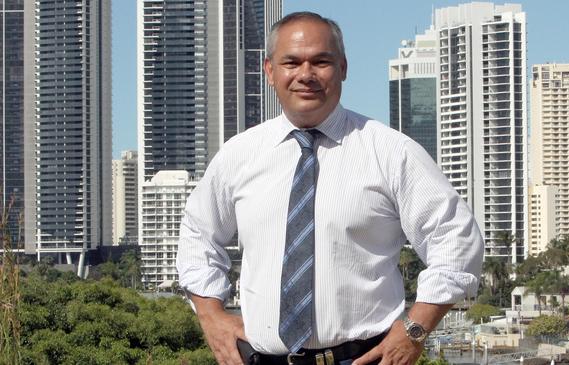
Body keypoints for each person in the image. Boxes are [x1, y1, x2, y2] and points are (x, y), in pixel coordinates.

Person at [176, 11, 483, 365]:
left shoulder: (390, 151)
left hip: (363, 358)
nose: (305, 75)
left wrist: (415, 328)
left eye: (321, 61)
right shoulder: (238, 155)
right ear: (270, 71)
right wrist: (210, 315)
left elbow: (458, 241)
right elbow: (198, 234)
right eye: (291, 62)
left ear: (343, 68)